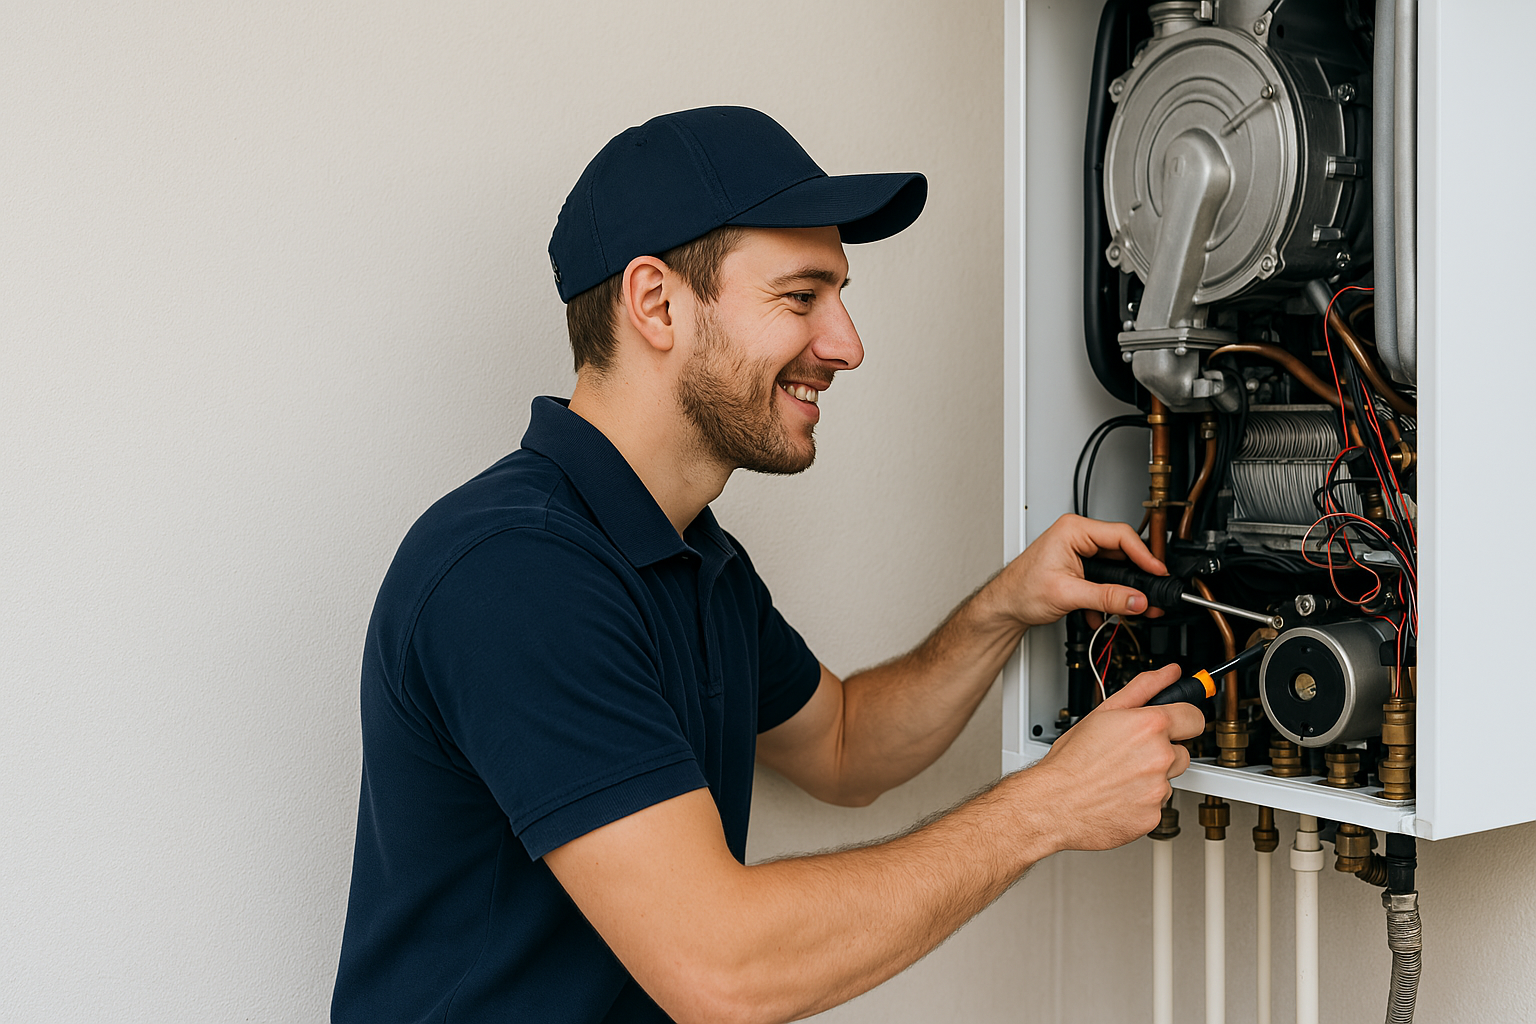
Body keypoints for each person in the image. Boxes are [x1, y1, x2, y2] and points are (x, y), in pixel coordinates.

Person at [331, 105, 1203, 1024]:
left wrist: (1003, 608)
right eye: (801, 297)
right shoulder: (516, 573)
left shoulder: (695, 556)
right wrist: (1046, 809)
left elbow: (844, 746)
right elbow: (724, 968)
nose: (847, 345)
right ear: (656, 302)